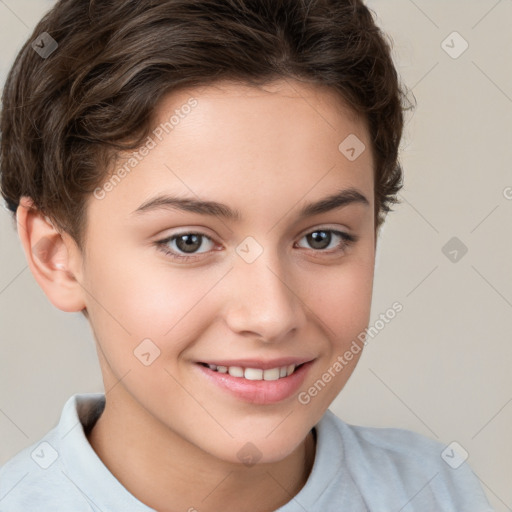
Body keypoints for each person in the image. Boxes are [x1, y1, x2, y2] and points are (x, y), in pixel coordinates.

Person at [0, 0, 494, 510]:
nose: (272, 315)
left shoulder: (437, 490)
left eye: (322, 237)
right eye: (188, 241)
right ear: (56, 255)